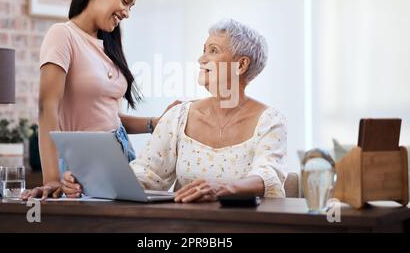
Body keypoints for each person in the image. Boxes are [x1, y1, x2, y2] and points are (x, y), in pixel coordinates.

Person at [62, 18, 287, 202]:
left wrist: (222, 187)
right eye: (203, 50)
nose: (201, 58)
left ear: (241, 65)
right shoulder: (179, 117)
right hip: (183, 227)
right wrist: (91, 180)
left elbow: (267, 176)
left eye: (213, 50)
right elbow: (147, 174)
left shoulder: (269, 121)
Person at [21, 0, 178, 200]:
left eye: (131, 7)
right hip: (84, 163)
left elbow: (107, 118)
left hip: (123, 155)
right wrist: (51, 179)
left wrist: (155, 123)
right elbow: (47, 109)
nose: (126, 13)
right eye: (125, 1)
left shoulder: (110, 46)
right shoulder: (63, 35)